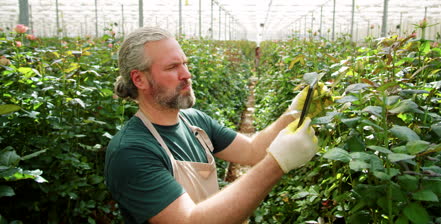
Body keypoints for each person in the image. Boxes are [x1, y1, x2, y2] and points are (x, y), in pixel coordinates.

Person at [104, 26, 319, 224]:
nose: (187, 75)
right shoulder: (131, 151)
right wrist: (276, 164)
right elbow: (189, 221)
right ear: (139, 79)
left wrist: (293, 113)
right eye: (172, 67)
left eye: (185, 64)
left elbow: (252, 150)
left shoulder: (194, 121)